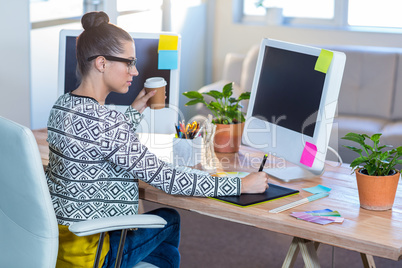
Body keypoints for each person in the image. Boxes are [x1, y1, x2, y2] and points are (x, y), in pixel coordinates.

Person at [45, 11, 269, 268]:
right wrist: (240, 185)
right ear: (102, 63)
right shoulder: (105, 124)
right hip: (95, 253)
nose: (135, 70)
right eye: (128, 62)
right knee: (169, 219)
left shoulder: (62, 105)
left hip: (61, 246)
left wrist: (136, 109)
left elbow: (95, 140)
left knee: (166, 255)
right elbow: (167, 178)